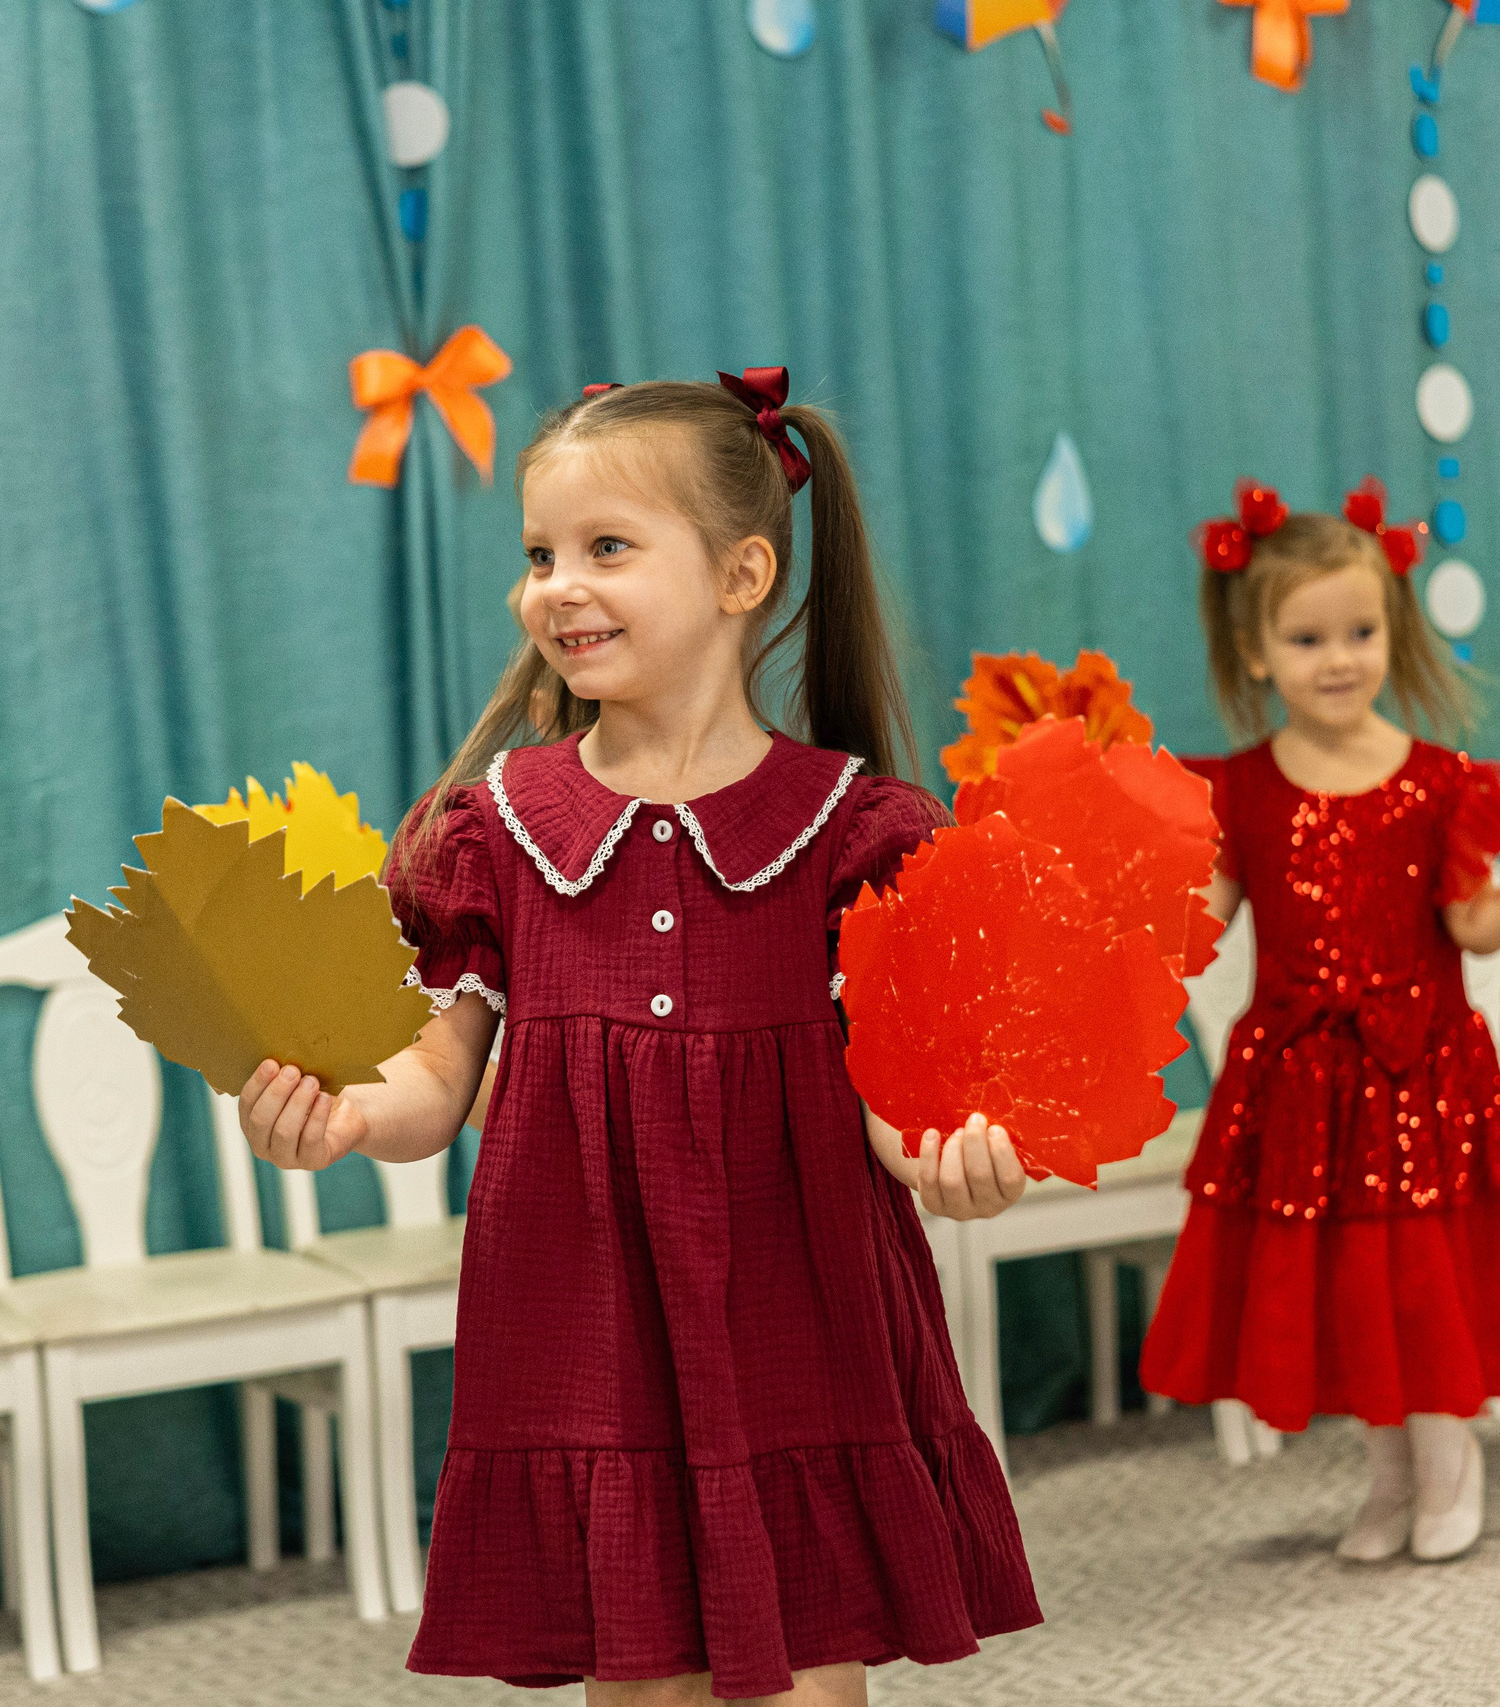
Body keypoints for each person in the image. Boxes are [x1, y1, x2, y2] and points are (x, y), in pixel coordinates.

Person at [240, 372, 1039, 1706]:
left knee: (798, 1651)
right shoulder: (486, 827)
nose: (557, 584)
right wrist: (345, 1110)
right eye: (539, 554)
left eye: (607, 547)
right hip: (585, 1305)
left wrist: (952, 1151)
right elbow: (441, 1071)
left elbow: (894, 1089)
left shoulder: (857, 826)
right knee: (640, 1664)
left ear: (742, 573)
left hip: (797, 1300)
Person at [1139, 480, 1500, 1563]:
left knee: (1422, 1277)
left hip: (1422, 1077)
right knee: (1349, 1287)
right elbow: (1196, 930)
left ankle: (1451, 1464)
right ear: (1256, 651)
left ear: (1393, 631)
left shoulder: (1442, 783)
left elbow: (1477, 924)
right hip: (1302, 1087)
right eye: (1307, 638)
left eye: (1359, 631)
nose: (1339, 657)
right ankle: (1390, 1475)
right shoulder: (1243, 791)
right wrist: (1110, 924)